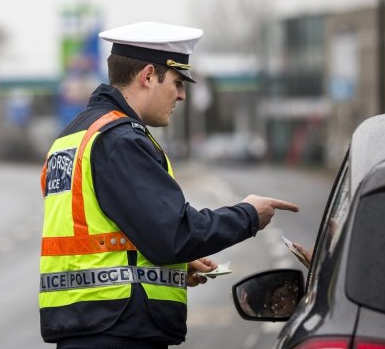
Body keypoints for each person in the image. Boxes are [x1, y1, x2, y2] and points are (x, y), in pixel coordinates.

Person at [39, 21, 299, 348]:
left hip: (89, 325)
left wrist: (173, 264)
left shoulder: (74, 136)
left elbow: (98, 231)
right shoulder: (120, 140)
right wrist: (248, 215)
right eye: (177, 82)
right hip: (117, 330)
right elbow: (173, 234)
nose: (181, 94)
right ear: (148, 76)